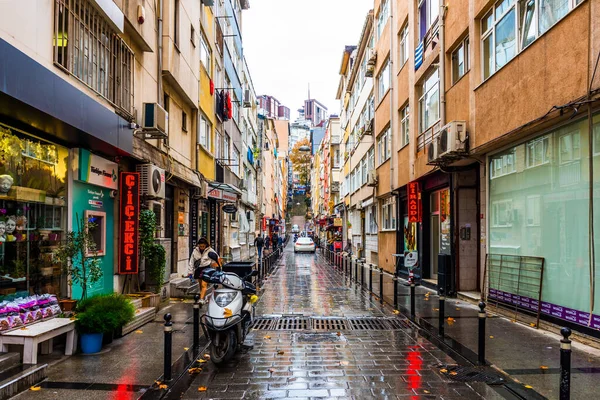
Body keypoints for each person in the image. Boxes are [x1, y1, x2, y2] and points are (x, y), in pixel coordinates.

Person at [187, 237, 218, 304]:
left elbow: (216, 258)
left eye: (203, 246)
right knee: (201, 285)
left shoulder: (210, 250)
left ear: (206, 245)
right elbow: (192, 261)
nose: (202, 247)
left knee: (204, 284)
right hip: (198, 269)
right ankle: (204, 297)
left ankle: (201, 299)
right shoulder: (195, 250)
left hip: (206, 269)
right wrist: (190, 272)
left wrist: (214, 267)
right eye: (200, 246)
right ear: (198, 245)